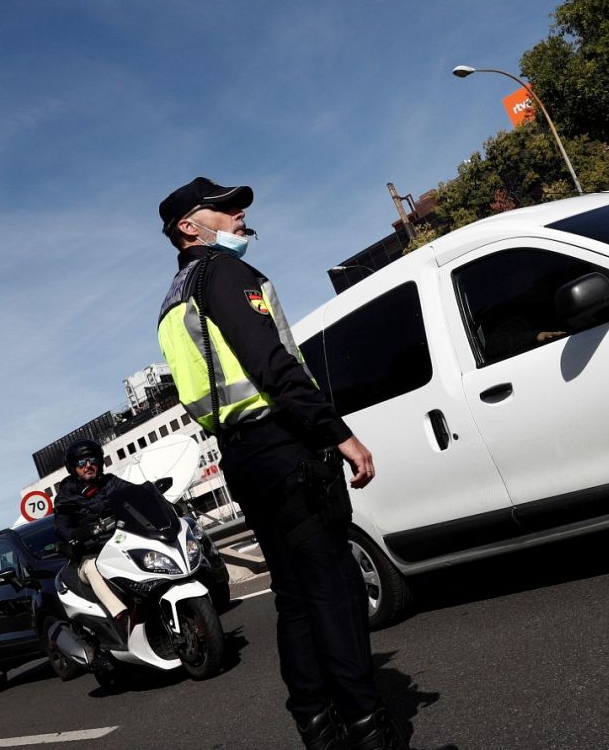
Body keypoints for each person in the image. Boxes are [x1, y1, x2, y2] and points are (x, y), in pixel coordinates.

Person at [156, 177, 406, 750]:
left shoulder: (173, 298)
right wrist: (337, 432)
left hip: (244, 457)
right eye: (222, 208)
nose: (239, 213)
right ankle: (369, 727)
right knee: (335, 588)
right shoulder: (225, 274)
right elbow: (269, 362)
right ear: (190, 228)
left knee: (294, 595)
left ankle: (318, 725)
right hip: (284, 445)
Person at [51, 439, 134, 628]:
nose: (88, 466)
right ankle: (121, 617)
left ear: (100, 463)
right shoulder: (66, 495)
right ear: (73, 468)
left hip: (120, 543)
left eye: (92, 460)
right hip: (90, 553)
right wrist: (77, 533)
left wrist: (152, 490)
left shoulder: (111, 482)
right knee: (92, 569)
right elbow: (60, 525)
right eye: (81, 462)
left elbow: (134, 492)